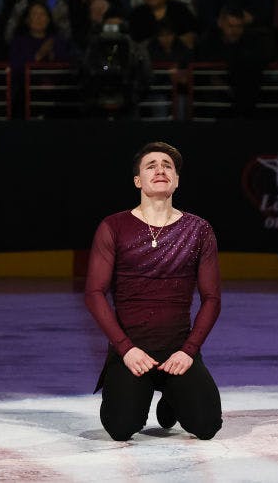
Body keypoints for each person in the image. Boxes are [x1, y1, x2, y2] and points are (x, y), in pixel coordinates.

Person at [84, 141, 223, 442]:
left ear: (176, 180)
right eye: (151, 166)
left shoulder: (199, 229)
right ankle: (143, 389)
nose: (160, 169)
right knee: (120, 429)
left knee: (207, 427)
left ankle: (171, 396)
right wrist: (125, 349)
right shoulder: (114, 226)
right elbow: (94, 292)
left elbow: (212, 299)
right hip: (132, 351)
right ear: (138, 181)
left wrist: (189, 351)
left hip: (178, 350)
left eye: (167, 166)